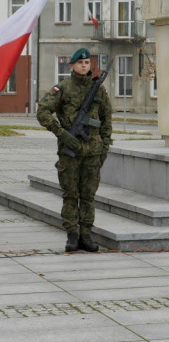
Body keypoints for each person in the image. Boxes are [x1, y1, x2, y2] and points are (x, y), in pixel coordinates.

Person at [36, 48, 113, 253]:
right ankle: (72, 236)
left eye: (87, 62)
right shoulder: (62, 88)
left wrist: (104, 146)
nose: (84, 66)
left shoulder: (98, 90)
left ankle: (86, 236)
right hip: (69, 152)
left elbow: (106, 119)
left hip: (93, 152)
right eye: (80, 63)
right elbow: (43, 111)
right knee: (70, 195)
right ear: (72, 65)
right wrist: (62, 134)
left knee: (88, 196)